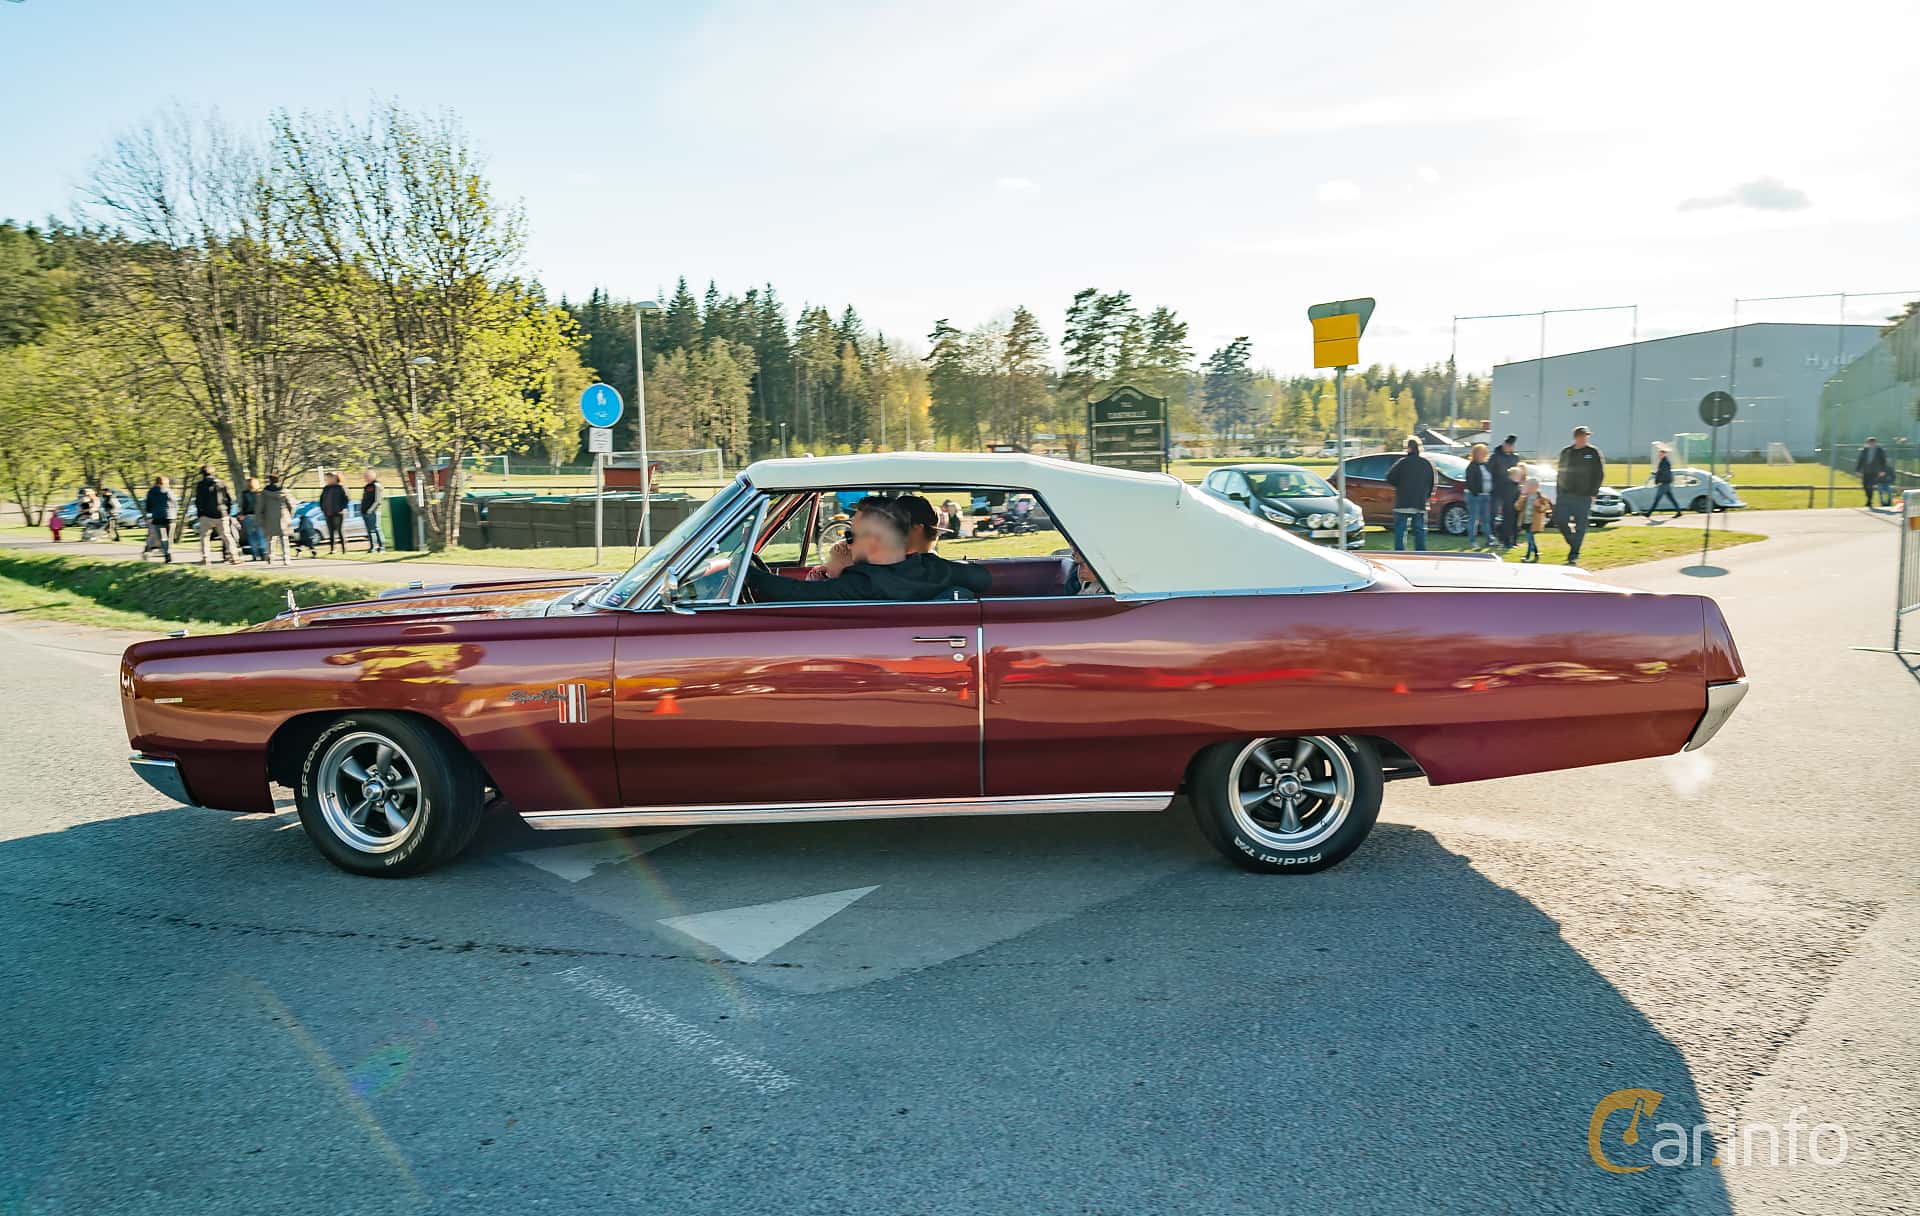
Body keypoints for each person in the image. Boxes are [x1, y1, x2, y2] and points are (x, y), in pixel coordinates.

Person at [745, 495, 991, 604]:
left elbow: (796, 595)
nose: (846, 543)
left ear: (873, 541)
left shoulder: (863, 583)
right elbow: (981, 577)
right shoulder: (931, 567)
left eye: (850, 536)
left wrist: (750, 574)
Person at [1554, 425, 1605, 566]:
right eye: (1581, 436)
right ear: (1575, 437)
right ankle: (1573, 544)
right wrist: (1559, 492)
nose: (1584, 438)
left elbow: (1599, 474)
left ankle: (1574, 554)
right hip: (1565, 494)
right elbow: (1560, 472)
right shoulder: (1566, 452)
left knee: (1580, 526)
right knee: (1560, 521)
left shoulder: (1593, 452)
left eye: (1586, 436)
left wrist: (1594, 492)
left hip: (1584, 496)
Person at [1384, 438, 1434, 552]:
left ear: (1409, 448)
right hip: (1419, 502)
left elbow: (1389, 477)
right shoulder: (1426, 463)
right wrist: (1426, 496)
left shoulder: (1402, 462)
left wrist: (1399, 485)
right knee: (1419, 530)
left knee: (1400, 531)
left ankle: (1400, 552)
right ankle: (1421, 553)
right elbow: (1432, 483)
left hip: (1403, 501)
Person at [190, 465, 239, 565]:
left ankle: (206, 558)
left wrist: (200, 512)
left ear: (202, 474)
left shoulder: (200, 485)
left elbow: (198, 500)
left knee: (205, 537)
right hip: (221, 513)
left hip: (206, 514)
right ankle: (234, 556)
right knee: (227, 536)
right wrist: (227, 511)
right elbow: (229, 499)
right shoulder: (221, 483)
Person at [1489, 435, 1521, 549]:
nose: (1508, 447)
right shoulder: (1495, 457)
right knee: (1494, 514)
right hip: (1498, 489)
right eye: (1506, 444)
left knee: (1510, 516)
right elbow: (1490, 471)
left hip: (1511, 491)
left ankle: (1509, 539)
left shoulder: (1515, 458)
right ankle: (1493, 537)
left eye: (1510, 445)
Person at [1463, 442, 1495, 550]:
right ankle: (1472, 541)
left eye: (1484, 453)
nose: (1482, 455)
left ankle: (1489, 540)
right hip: (1474, 496)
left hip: (1486, 496)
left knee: (1486, 520)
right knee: (1474, 519)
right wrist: (1476, 492)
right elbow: (1470, 482)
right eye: (1480, 453)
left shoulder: (1486, 466)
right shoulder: (1471, 467)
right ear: (1475, 454)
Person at [257, 475, 295, 565]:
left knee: (270, 539)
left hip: (268, 517)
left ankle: (270, 557)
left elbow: (260, 506)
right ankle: (286, 558)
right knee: (284, 539)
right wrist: (289, 514)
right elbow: (291, 505)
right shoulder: (284, 491)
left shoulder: (264, 493)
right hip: (282, 516)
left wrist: (260, 518)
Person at [142, 475, 175, 562]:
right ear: (165, 483)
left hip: (158, 517)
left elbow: (148, 506)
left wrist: (152, 511)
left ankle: (166, 554)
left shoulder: (151, 492)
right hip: (170, 517)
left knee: (163, 537)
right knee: (169, 537)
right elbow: (174, 503)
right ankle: (168, 551)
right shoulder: (169, 491)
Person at [1646, 447, 1682, 520]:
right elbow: (1662, 472)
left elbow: (1665, 473)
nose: (1659, 455)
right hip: (1666, 484)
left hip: (1663, 484)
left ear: (1664, 454)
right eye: (1659, 454)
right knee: (1671, 498)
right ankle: (1679, 512)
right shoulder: (1664, 462)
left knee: (1657, 499)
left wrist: (1660, 481)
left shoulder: (1664, 462)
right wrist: (1655, 473)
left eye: (1661, 454)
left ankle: (1648, 513)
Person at [1517, 476, 1548, 563]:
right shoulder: (1525, 497)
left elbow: (1545, 508)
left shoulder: (1541, 497)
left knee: (1530, 538)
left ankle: (1532, 555)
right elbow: (1517, 507)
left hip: (1534, 522)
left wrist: (1539, 506)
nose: (1527, 488)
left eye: (1529, 486)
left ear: (1535, 487)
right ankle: (1532, 556)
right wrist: (1521, 499)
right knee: (1530, 539)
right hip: (1525, 521)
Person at [318, 472, 349, 554]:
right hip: (328, 512)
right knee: (331, 532)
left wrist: (342, 509)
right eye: (327, 478)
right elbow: (321, 500)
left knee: (340, 531)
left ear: (335, 478)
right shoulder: (326, 488)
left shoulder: (341, 487)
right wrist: (323, 509)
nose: (328, 480)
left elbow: (346, 499)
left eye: (329, 478)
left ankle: (344, 549)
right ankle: (332, 549)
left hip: (338, 513)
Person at [238, 476, 266, 561]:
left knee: (251, 536)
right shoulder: (261, 493)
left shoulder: (245, 493)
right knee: (261, 535)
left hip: (248, 516)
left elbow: (244, 505)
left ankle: (255, 554)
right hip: (260, 516)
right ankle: (263, 553)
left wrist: (242, 514)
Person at [1856, 438, 1889, 509]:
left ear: (1875, 443)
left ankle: (1869, 501)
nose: (1871, 444)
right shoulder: (1864, 450)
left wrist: (1883, 470)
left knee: (1870, 485)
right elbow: (1860, 460)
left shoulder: (1879, 450)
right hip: (1866, 471)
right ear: (1867, 443)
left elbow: (1884, 461)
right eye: (1870, 443)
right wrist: (1858, 470)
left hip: (1875, 471)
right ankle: (1869, 499)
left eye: (1873, 443)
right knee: (1865, 486)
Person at [361, 470, 386, 553]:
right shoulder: (367, 486)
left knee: (376, 528)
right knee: (369, 530)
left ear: (372, 476)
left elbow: (378, 500)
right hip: (365, 511)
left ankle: (381, 547)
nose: (365, 478)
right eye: (365, 476)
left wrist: (370, 510)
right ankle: (372, 547)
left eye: (367, 476)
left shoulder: (376, 485)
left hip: (374, 511)